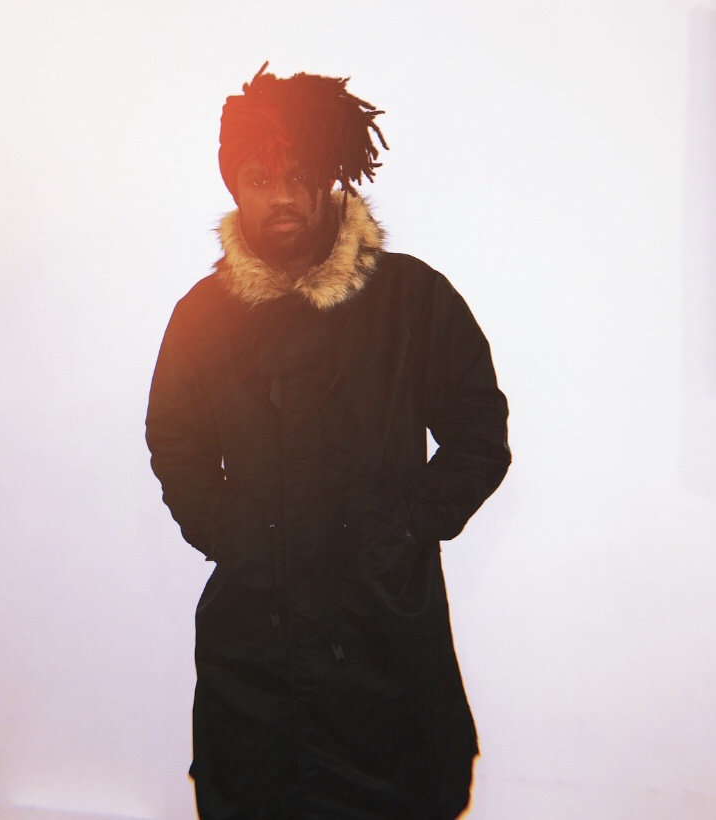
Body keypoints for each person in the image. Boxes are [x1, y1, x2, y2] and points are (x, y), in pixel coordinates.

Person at [145, 63, 511, 819]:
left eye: (300, 174)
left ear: (331, 179)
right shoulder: (203, 316)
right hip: (256, 645)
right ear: (234, 186)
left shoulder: (411, 299)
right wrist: (232, 534)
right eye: (259, 177)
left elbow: (479, 433)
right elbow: (176, 443)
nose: (281, 196)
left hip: (381, 636)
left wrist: (403, 528)